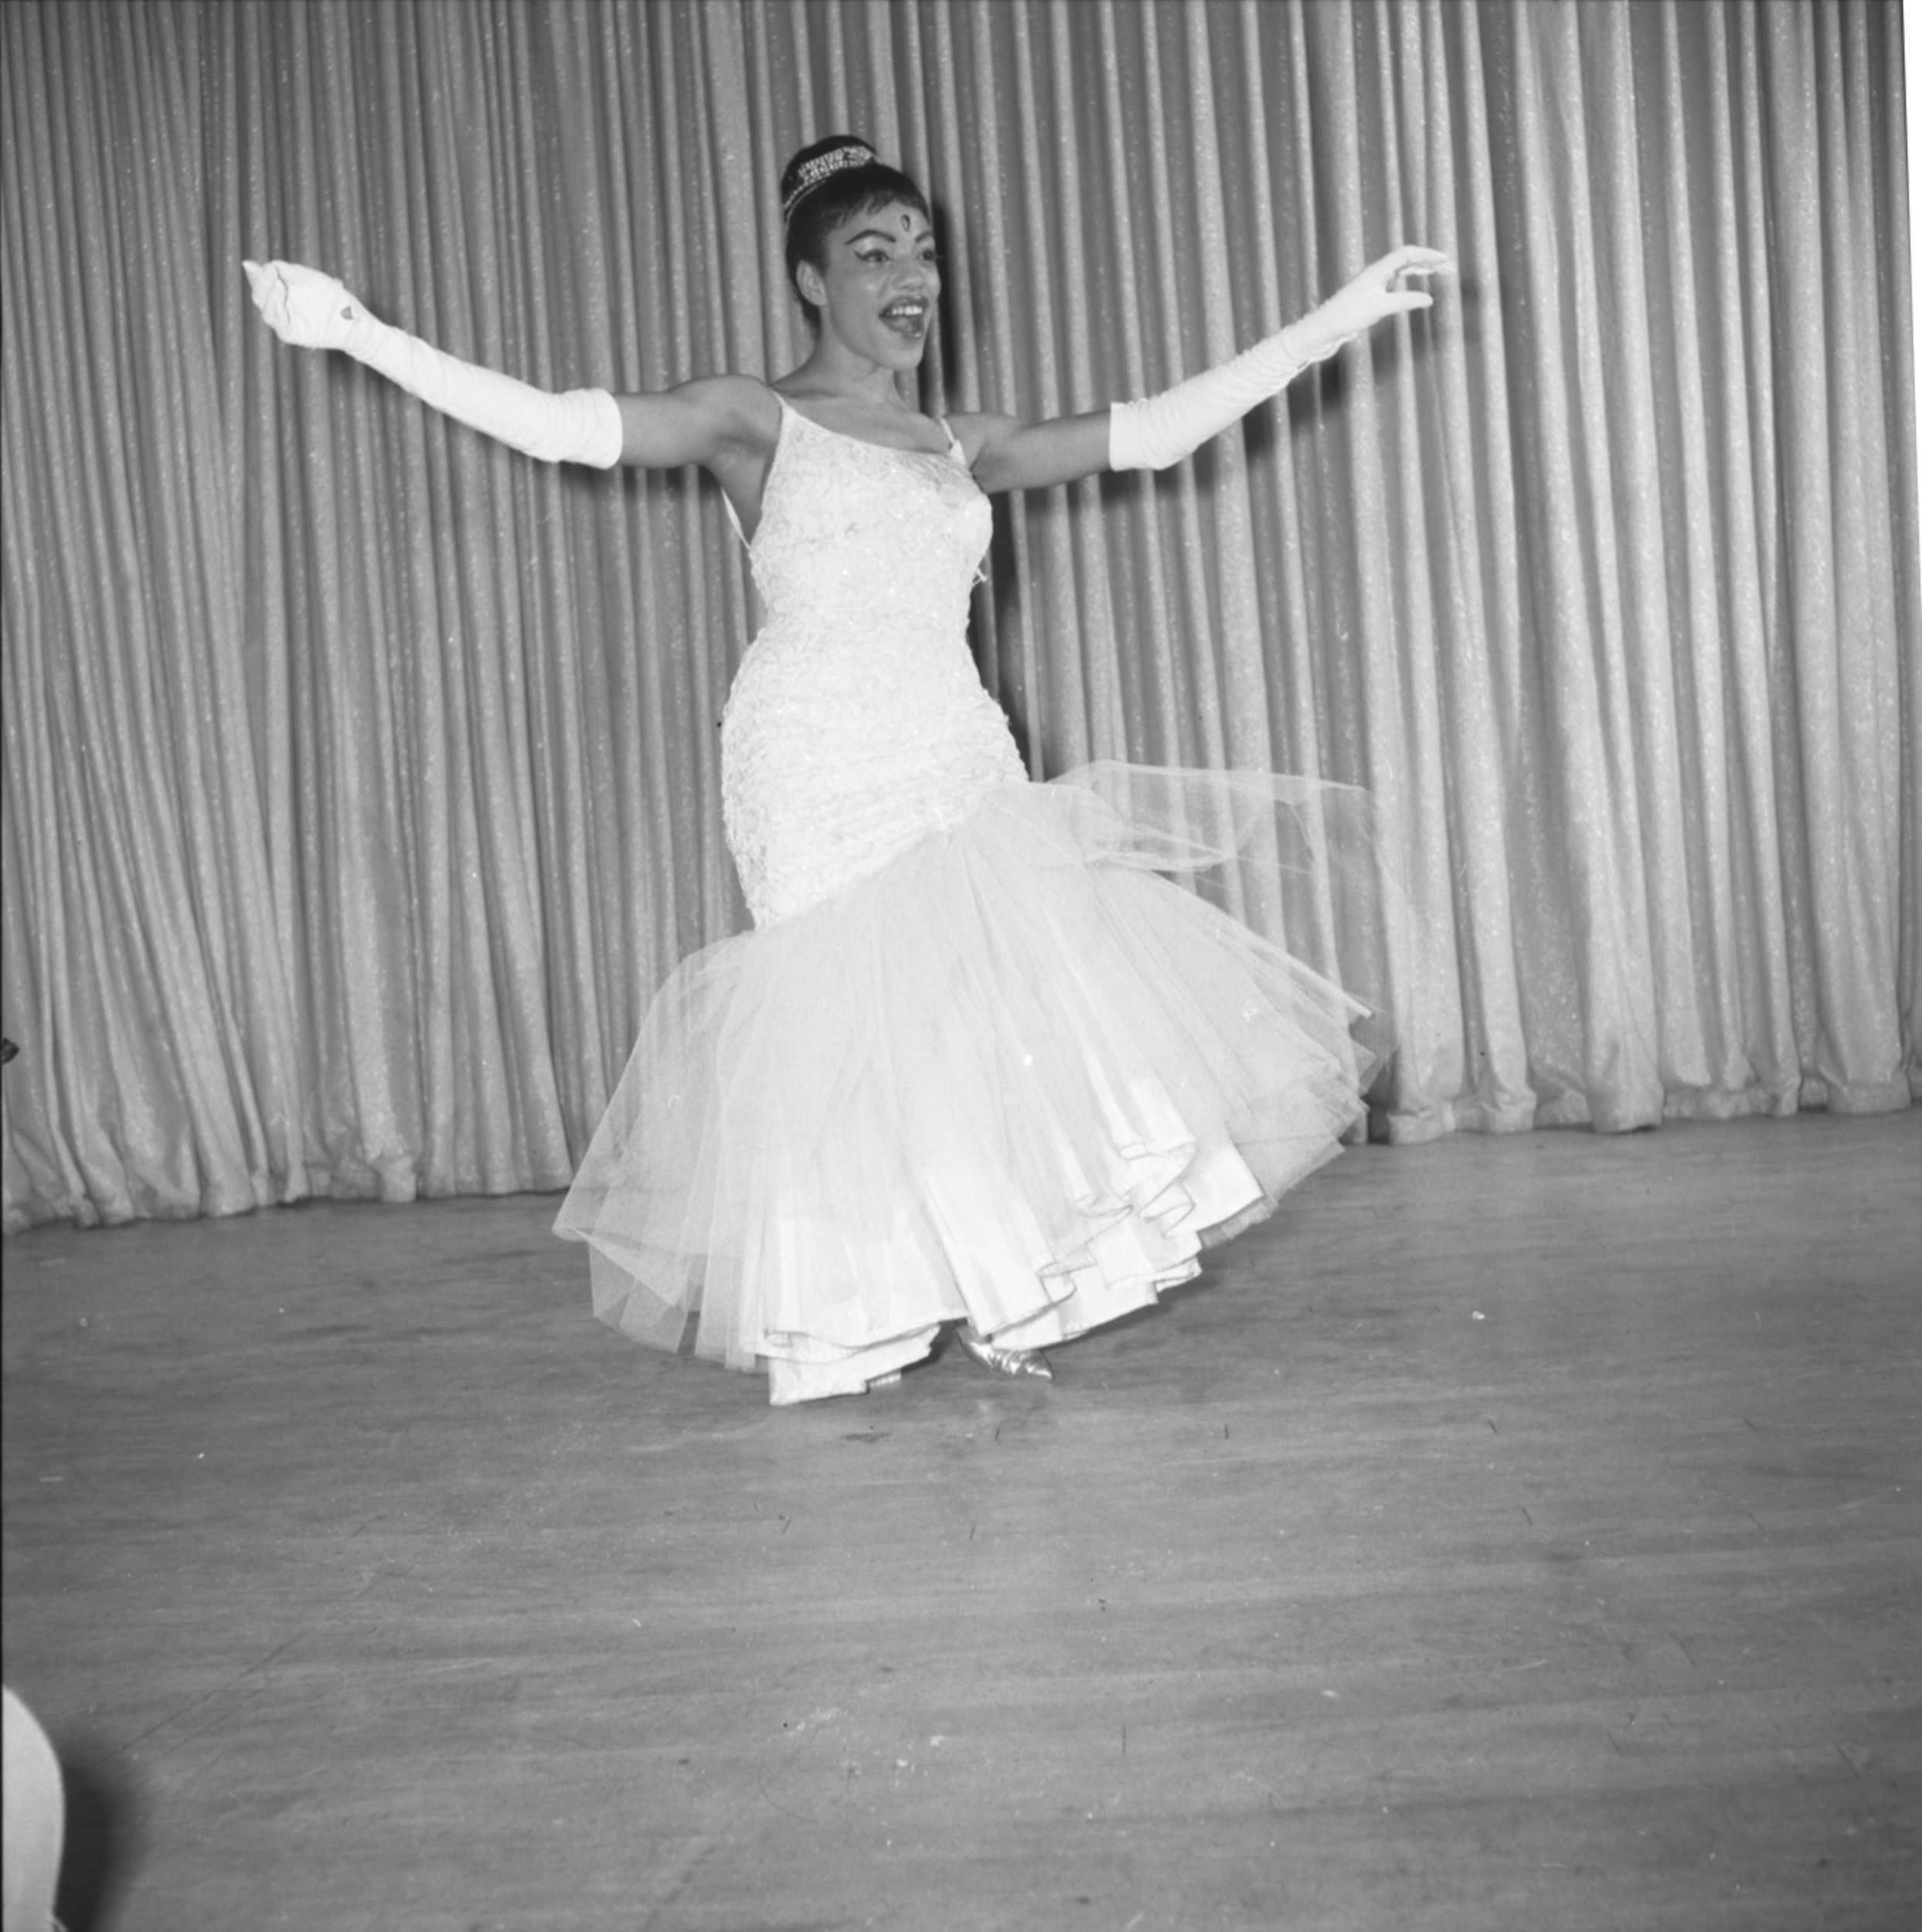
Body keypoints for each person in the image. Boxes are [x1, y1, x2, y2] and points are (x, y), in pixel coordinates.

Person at [247, 135, 1448, 1405]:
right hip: (813, 752)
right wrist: (359, 333)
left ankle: (1008, 1283)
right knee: (852, 1028)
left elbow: (1149, 436)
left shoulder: (955, 440)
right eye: (873, 252)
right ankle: (866, 1303)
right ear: (813, 281)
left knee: (996, 1013)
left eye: (921, 249)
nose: (910, 275)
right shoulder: (749, 418)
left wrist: (1336, 320)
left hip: (953, 737)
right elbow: (561, 428)